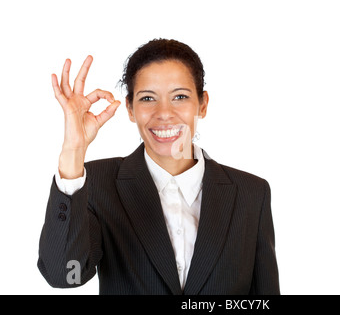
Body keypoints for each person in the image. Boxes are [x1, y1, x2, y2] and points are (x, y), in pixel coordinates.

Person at [37, 38, 280, 295]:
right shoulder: (98, 183)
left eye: (180, 96)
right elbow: (64, 274)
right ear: (130, 108)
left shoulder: (251, 193)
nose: (164, 113)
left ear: (203, 104)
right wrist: (73, 152)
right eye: (148, 98)